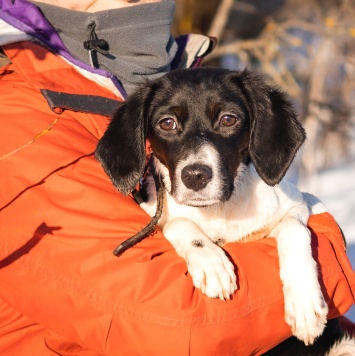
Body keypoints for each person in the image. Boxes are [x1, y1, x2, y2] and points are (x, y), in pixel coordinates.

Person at [0, 0, 354, 354]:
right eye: (167, 124)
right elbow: (176, 326)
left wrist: (297, 239)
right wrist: (328, 253)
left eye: (228, 120)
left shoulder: (168, 73)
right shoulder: (18, 118)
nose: (197, 163)